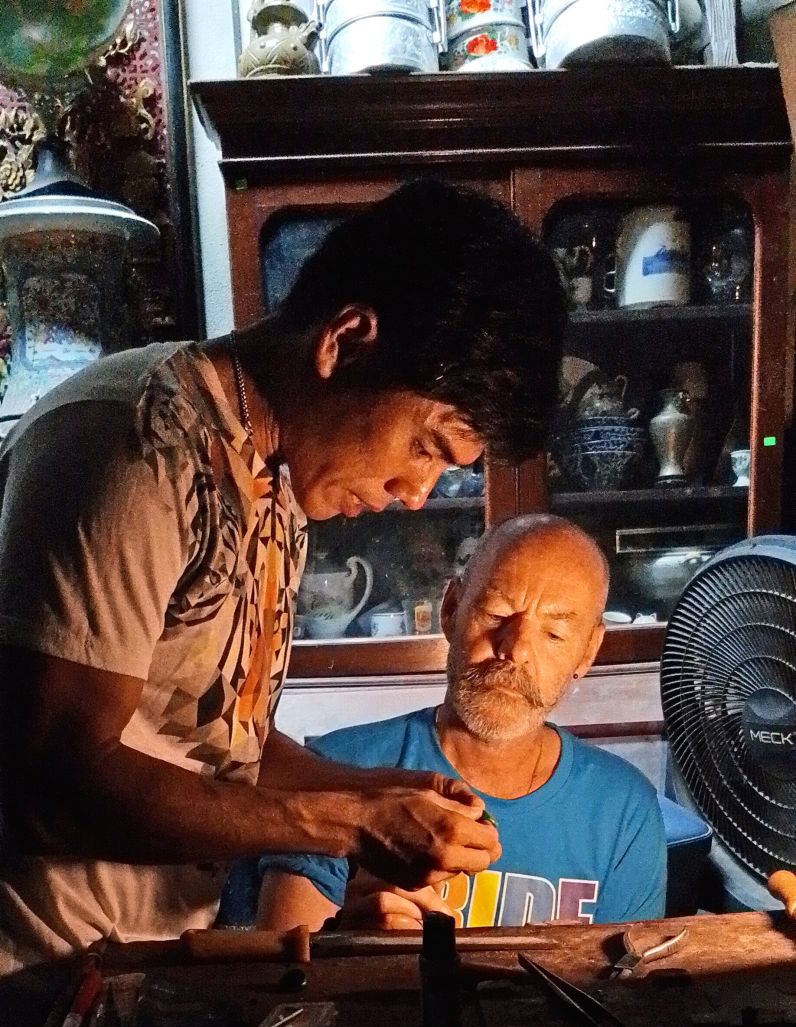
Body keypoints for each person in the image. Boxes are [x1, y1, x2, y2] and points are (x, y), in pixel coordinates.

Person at [0, 180, 567, 973]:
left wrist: (377, 792)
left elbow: (222, 739)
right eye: (428, 448)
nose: (415, 495)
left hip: (134, 968)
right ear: (347, 339)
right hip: (31, 981)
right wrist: (345, 825)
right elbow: (55, 783)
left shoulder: (274, 483)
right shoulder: (132, 445)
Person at [257, 515, 667, 932]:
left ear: (587, 652)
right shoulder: (336, 771)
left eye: (554, 635)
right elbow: (283, 981)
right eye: (495, 614)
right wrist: (348, 941)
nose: (514, 651)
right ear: (451, 609)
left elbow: (620, 986)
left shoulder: (622, 809)